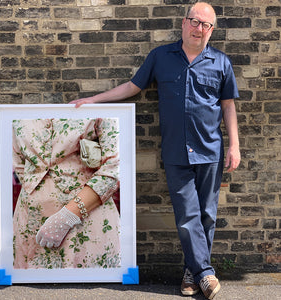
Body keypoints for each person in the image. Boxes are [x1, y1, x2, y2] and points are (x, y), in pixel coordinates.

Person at [70, 2, 240, 299]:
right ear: (184, 22)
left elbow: (228, 106)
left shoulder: (221, 62)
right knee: (188, 216)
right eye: (194, 21)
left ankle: (192, 273)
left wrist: (235, 145)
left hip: (211, 149)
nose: (199, 29)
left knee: (207, 216)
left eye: (206, 25)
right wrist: (95, 99)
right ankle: (206, 274)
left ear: (212, 31)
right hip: (176, 151)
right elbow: (132, 87)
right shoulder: (160, 57)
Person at [12, 117, 120, 269]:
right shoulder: (17, 113)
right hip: (31, 221)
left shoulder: (99, 110)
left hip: (87, 218)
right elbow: (18, 163)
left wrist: (67, 216)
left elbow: (115, 167)